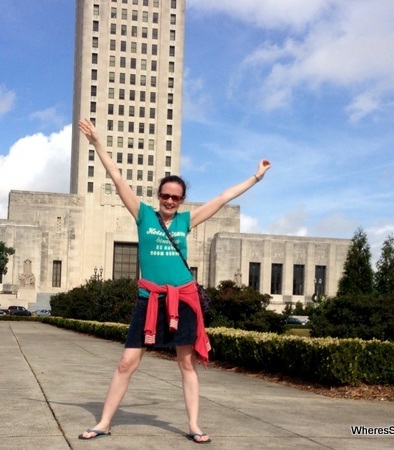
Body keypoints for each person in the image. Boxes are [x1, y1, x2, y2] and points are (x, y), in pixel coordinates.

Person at [77, 118, 271, 444]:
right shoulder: (143, 215)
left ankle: (194, 425)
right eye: (165, 195)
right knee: (126, 363)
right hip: (149, 299)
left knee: (186, 364)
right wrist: (97, 142)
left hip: (183, 299)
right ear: (158, 195)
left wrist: (256, 177)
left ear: (181, 201)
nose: (169, 201)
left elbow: (223, 197)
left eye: (176, 197)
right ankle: (104, 422)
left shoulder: (186, 220)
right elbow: (116, 176)